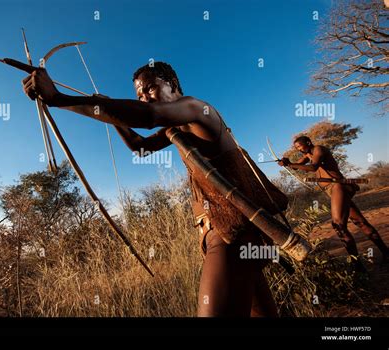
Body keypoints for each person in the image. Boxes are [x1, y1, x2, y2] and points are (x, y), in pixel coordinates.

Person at [22, 62, 286, 317]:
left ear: (171, 84)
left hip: (230, 235)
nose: (145, 98)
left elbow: (148, 117)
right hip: (234, 234)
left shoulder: (196, 107)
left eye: (149, 88)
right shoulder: (178, 126)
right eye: (139, 94)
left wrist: (57, 98)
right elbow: (141, 147)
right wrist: (112, 116)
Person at [278, 136, 389, 268]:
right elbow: (298, 166)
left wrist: (290, 164)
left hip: (337, 186)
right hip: (332, 189)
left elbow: (313, 168)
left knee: (338, 225)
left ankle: (357, 265)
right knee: (360, 222)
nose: (298, 149)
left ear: (308, 142)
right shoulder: (309, 155)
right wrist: (287, 162)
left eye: (299, 146)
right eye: (296, 148)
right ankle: (386, 253)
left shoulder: (318, 150)